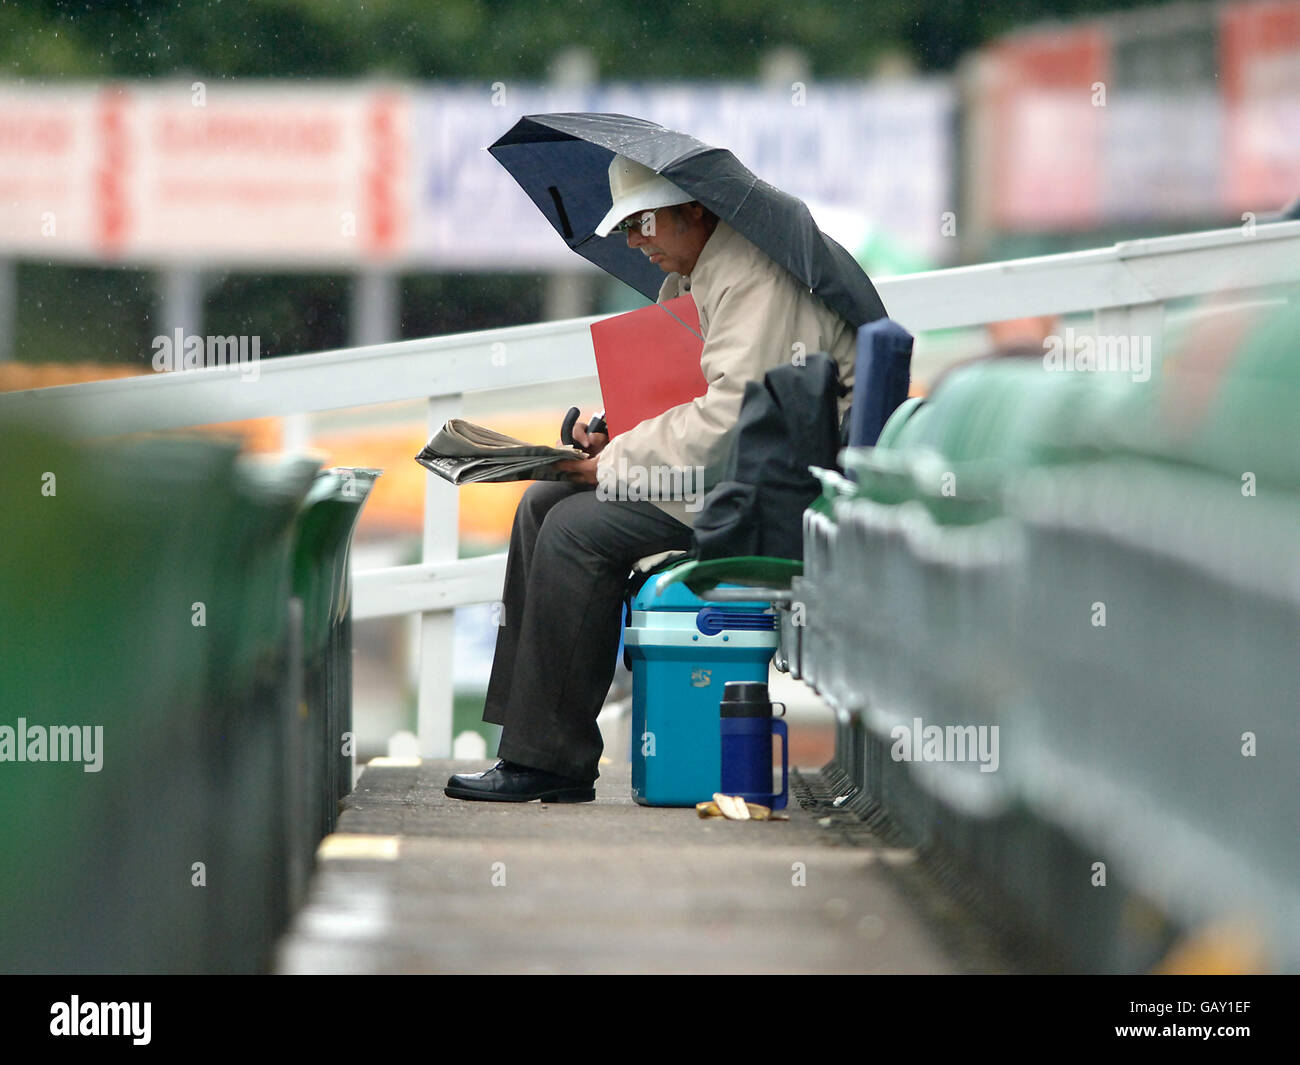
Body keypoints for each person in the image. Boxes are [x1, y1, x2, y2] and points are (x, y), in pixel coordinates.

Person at [444, 155, 857, 802]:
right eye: (626, 227)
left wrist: (615, 461)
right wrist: (615, 434)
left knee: (576, 529)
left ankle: (551, 758)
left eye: (643, 222)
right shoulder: (703, 275)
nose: (634, 242)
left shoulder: (754, 280)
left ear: (695, 208)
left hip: (767, 485)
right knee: (542, 501)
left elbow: (729, 418)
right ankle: (529, 738)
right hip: (729, 470)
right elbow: (689, 400)